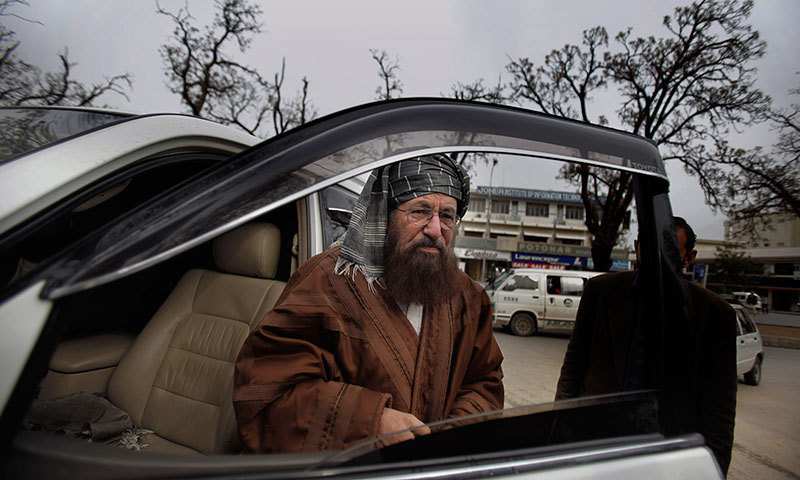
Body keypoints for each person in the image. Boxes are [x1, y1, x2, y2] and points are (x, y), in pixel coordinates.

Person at [233, 154, 504, 453]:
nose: (435, 229)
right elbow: (269, 392)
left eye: (447, 216)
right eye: (420, 212)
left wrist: (451, 437)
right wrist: (371, 424)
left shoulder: (468, 298)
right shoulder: (326, 281)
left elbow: (483, 383)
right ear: (383, 214)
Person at [555, 217, 737, 475]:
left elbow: (719, 411)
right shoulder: (602, 291)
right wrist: (561, 428)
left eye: (671, 250)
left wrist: (712, 470)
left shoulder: (715, 315)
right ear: (638, 247)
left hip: (666, 453)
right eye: (649, 247)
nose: (658, 257)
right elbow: (573, 368)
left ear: (689, 257)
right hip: (597, 441)